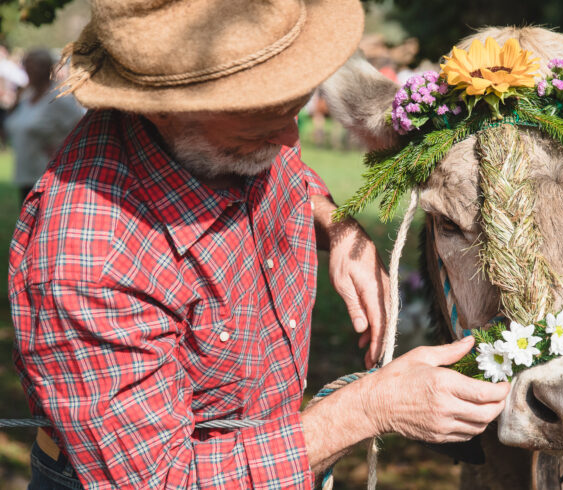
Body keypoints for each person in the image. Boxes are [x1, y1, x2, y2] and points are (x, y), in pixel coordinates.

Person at [10, 1, 509, 489]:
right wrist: (369, 408)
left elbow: (288, 173)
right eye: (262, 118)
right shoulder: (89, 259)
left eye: (292, 105)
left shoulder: (221, 143)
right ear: (164, 109)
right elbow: (163, 480)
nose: (290, 136)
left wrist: (338, 227)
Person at [3, 49, 83, 203]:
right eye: (28, 66)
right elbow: (13, 124)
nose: (31, 70)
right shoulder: (26, 96)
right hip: (26, 172)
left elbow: (80, 126)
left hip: (50, 174)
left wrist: (62, 149)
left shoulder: (59, 98)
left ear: (47, 68)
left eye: (36, 66)